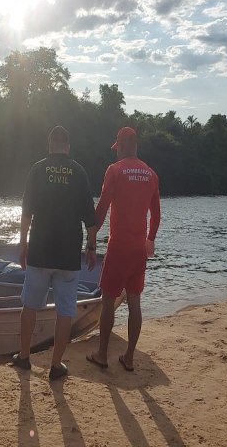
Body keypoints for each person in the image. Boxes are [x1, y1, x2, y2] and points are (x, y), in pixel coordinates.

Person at [12, 125, 97, 380]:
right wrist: (91, 248)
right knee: (65, 311)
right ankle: (56, 365)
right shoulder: (79, 172)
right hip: (69, 255)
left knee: (29, 306)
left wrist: (22, 244)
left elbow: (26, 212)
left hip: (40, 250)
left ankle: (24, 357)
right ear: (67, 147)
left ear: (50, 145)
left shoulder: (38, 169)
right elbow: (90, 219)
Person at [86, 126, 160, 372]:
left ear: (124, 145)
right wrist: (150, 239)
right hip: (139, 249)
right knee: (135, 301)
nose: (116, 153)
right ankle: (128, 357)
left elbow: (103, 206)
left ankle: (102, 354)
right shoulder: (150, 174)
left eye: (117, 148)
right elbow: (156, 214)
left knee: (108, 301)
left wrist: (91, 236)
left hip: (118, 247)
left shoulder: (115, 171)